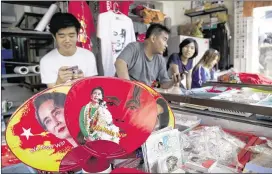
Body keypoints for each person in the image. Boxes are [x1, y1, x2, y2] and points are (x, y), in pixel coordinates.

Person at [40, 12, 98, 88]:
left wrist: (83, 81)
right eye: (62, 36)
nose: (67, 40)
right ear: (54, 36)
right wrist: (59, 81)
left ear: (77, 34)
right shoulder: (46, 61)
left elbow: (94, 88)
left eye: (71, 35)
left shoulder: (88, 56)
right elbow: (51, 95)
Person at [115, 23, 180, 89]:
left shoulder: (160, 60)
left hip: (142, 95)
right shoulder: (134, 47)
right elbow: (120, 63)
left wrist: (173, 82)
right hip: (121, 92)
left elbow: (164, 84)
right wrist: (129, 88)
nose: (166, 45)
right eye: (164, 39)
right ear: (153, 38)